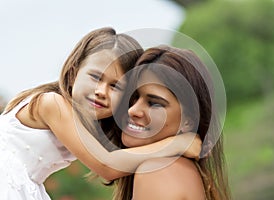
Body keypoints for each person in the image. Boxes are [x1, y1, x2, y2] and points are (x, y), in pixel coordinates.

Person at [0, 28, 201, 200]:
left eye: (115, 86)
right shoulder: (51, 104)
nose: (101, 91)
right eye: (96, 77)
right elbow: (107, 166)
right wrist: (177, 143)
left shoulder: (91, 125)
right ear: (73, 74)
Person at [111, 45, 231, 200]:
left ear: (187, 122)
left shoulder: (157, 171)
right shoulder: (181, 171)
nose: (133, 110)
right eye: (134, 97)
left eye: (154, 103)